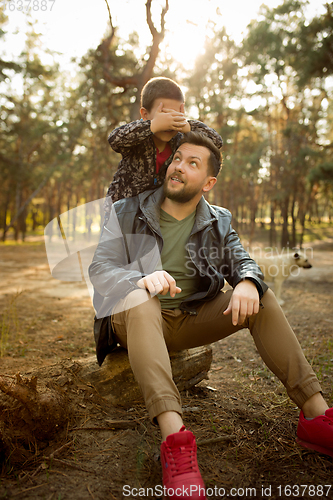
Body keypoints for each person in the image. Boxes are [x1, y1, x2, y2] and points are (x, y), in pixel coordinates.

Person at [89, 132, 333, 499]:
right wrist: (138, 277)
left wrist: (249, 281)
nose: (179, 167)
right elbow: (100, 267)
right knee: (141, 298)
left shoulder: (218, 220)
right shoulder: (128, 209)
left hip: (189, 320)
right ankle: (175, 440)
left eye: (193, 163)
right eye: (177, 159)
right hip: (135, 317)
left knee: (261, 298)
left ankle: (316, 417)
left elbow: (241, 259)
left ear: (209, 182)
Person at [104, 77, 222, 211]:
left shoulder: (178, 141)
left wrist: (188, 127)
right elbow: (115, 139)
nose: (169, 121)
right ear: (145, 114)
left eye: (175, 115)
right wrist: (152, 125)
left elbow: (216, 142)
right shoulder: (138, 137)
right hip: (121, 211)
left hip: (153, 215)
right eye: (164, 114)